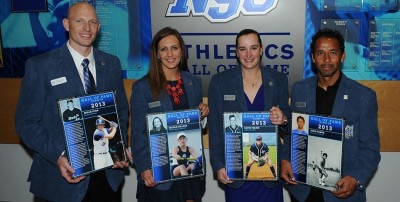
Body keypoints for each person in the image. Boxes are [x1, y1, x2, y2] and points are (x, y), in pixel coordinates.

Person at [15, 3, 129, 201]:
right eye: (80, 21)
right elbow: (27, 123)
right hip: (61, 180)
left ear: (99, 27)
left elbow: (120, 110)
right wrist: (59, 154)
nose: (87, 28)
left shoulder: (111, 64)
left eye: (93, 22)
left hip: (107, 179)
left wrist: (118, 147)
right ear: (67, 24)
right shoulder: (41, 66)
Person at [281, 28, 381, 201]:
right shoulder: (299, 89)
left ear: (342, 56)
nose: (326, 60)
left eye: (332, 53)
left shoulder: (363, 96)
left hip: (340, 193)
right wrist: (285, 159)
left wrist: (355, 178)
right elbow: (293, 132)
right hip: (303, 192)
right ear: (312, 57)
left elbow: (371, 149)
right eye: (320, 53)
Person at [208, 29, 290, 202]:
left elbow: (287, 118)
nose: (248, 54)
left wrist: (283, 118)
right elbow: (215, 127)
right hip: (236, 171)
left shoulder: (278, 80)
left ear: (261, 49)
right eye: (242, 49)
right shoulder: (220, 82)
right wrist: (218, 164)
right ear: (236, 52)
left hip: (269, 173)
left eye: (253, 48)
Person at [130, 26, 209, 202]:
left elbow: (197, 128)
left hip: (190, 168)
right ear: (157, 54)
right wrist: (144, 168)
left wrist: (203, 115)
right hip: (160, 172)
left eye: (174, 48)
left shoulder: (193, 82)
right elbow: (138, 134)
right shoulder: (142, 87)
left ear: (181, 50)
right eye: (163, 49)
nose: (170, 54)